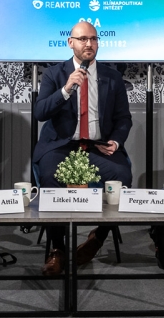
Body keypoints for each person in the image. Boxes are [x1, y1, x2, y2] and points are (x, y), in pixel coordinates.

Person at [33, 21, 132, 275]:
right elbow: (40, 113)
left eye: (94, 39)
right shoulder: (54, 74)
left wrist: (115, 141)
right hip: (62, 146)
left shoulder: (112, 77)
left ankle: (96, 239)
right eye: (83, 39)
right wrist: (66, 89)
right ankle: (58, 248)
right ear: (71, 43)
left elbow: (123, 118)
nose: (89, 44)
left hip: (97, 147)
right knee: (50, 177)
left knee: (122, 177)